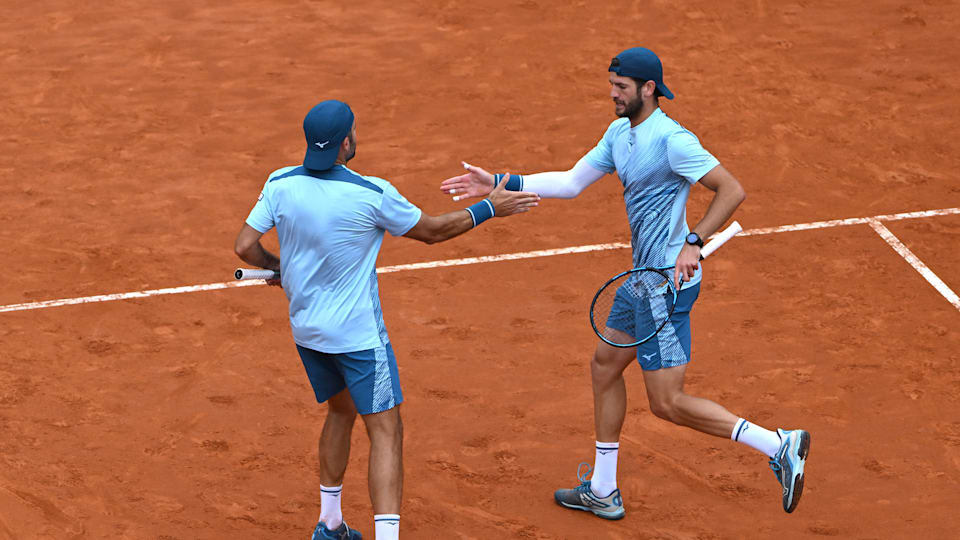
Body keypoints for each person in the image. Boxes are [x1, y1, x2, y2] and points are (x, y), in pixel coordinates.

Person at [440, 47, 811, 516]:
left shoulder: (673, 140)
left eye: (621, 87)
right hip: (640, 281)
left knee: (667, 403)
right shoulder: (620, 133)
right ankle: (603, 488)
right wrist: (498, 180)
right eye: (611, 86)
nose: (612, 94)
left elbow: (731, 189)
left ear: (648, 88)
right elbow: (572, 182)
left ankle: (777, 444)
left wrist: (693, 241)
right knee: (604, 367)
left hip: (665, 288)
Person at [235, 100, 540, 540]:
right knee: (386, 431)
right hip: (357, 338)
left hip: (307, 330)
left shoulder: (279, 183)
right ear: (346, 142)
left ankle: (330, 523)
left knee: (340, 412)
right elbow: (433, 231)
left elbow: (246, 246)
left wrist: (278, 268)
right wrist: (489, 208)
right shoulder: (371, 193)